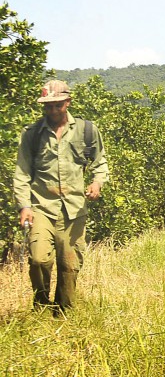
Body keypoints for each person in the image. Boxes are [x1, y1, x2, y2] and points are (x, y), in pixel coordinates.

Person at [13, 79, 109, 315]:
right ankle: (41, 307)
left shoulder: (87, 130)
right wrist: (24, 206)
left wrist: (97, 182)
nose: (53, 110)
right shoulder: (32, 134)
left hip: (74, 209)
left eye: (57, 104)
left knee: (69, 265)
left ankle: (64, 312)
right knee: (38, 260)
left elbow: (100, 162)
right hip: (41, 207)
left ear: (68, 102)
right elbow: (22, 172)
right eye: (48, 106)